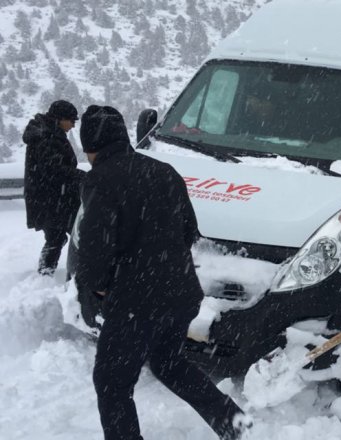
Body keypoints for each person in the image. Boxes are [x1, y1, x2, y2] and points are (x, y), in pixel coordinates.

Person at [75, 105, 249, 440]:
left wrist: (96, 286)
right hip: (180, 293)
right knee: (168, 362)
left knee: (112, 382)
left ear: (90, 146)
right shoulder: (163, 171)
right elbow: (189, 231)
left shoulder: (101, 179)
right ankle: (231, 419)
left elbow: (95, 246)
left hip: (135, 302)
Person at [22, 99, 85, 275]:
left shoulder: (49, 133)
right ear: (60, 118)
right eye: (71, 120)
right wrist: (81, 176)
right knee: (70, 235)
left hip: (53, 197)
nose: (73, 125)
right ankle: (54, 273)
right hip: (52, 198)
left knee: (59, 236)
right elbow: (53, 169)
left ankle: (48, 272)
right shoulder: (46, 136)